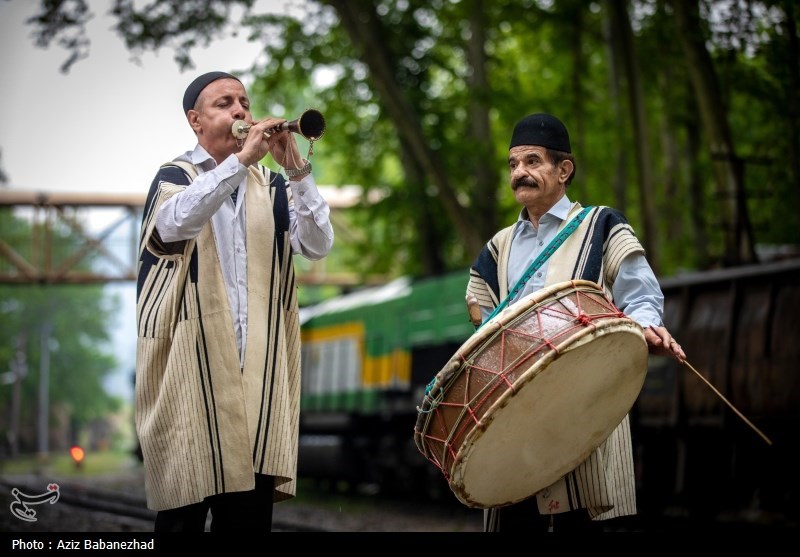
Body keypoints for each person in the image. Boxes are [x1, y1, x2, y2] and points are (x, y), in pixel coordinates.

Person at [465, 113, 685, 533]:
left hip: (587, 405)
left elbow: (640, 295)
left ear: (564, 170)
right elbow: (482, 331)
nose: (520, 174)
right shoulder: (496, 249)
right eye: (513, 165)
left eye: (532, 161)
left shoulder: (602, 225)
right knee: (515, 520)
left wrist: (646, 327)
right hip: (516, 417)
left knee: (582, 519)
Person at [135, 71, 334, 532]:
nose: (240, 111)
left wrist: (296, 169)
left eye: (243, 102)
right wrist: (239, 161)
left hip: (255, 389)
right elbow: (173, 225)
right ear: (196, 120)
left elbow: (318, 244)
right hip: (193, 384)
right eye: (224, 103)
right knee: (181, 519)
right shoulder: (175, 176)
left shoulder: (273, 185)